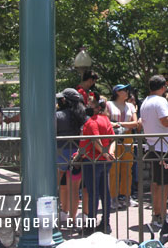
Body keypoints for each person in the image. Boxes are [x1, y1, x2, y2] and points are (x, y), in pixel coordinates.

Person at [141, 75, 168, 227]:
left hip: (153, 146)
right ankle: (161, 216)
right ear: (163, 87)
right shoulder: (160, 101)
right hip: (163, 148)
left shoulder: (145, 102)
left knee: (156, 182)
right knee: (163, 184)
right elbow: (166, 122)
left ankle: (157, 213)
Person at [78, 92, 116, 235]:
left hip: (93, 160)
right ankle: (106, 223)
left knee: (93, 193)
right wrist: (110, 154)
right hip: (105, 162)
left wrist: (105, 154)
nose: (88, 105)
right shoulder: (106, 120)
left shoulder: (92, 121)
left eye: (90, 103)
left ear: (96, 106)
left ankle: (91, 225)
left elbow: (95, 139)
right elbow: (113, 139)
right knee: (105, 192)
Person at [55, 88, 87, 223]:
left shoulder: (58, 116)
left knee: (56, 186)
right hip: (77, 154)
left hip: (60, 152)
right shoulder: (83, 116)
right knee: (75, 189)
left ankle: (60, 212)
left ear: (64, 100)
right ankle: (73, 218)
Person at [106, 84, 139, 209]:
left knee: (127, 167)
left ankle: (126, 196)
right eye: (124, 90)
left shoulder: (130, 106)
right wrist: (122, 125)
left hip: (127, 137)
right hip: (113, 138)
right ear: (118, 92)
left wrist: (119, 124)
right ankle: (113, 197)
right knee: (114, 168)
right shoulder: (109, 105)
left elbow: (135, 123)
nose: (127, 92)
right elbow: (107, 121)